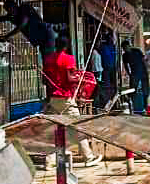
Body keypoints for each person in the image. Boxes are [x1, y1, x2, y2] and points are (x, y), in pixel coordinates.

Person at [42, 35, 101, 166]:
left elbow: (45, 80)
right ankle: (88, 157)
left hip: (53, 98)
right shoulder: (68, 59)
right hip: (66, 98)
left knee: (54, 130)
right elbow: (70, 78)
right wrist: (80, 80)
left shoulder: (48, 58)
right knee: (78, 128)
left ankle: (49, 161)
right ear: (66, 46)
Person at [122, 40, 149, 114]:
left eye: (126, 47)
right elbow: (126, 65)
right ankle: (132, 106)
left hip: (143, 72)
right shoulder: (125, 55)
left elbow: (144, 60)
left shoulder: (137, 51)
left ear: (129, 46)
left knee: (145, 90)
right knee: (133, 90)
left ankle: (146, 107)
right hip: (134, 73)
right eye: (124, 48)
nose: (125, 49)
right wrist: (129, 74)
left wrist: (147, 69)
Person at [99, 32, 118, 104]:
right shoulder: (103, 47)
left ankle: (114, 99)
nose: (110, 39)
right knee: (107, 85)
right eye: (109, 38)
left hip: (114, 68)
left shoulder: (114, 47)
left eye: (111, 38)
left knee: (114, 84)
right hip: (105, 68)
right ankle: (107, 100)